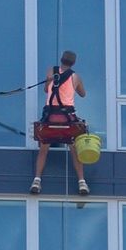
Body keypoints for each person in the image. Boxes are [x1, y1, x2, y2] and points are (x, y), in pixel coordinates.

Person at [30, 50, 89, 194]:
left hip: (50, 117)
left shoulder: (51, 71)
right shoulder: (75, 77)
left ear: (61, 60)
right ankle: (82, 182)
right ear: (73, 63)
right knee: (75, 149)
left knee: (43, 150)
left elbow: (46, 89)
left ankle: (37, 180)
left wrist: (52, 81)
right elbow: (83, 94)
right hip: (67, 119)